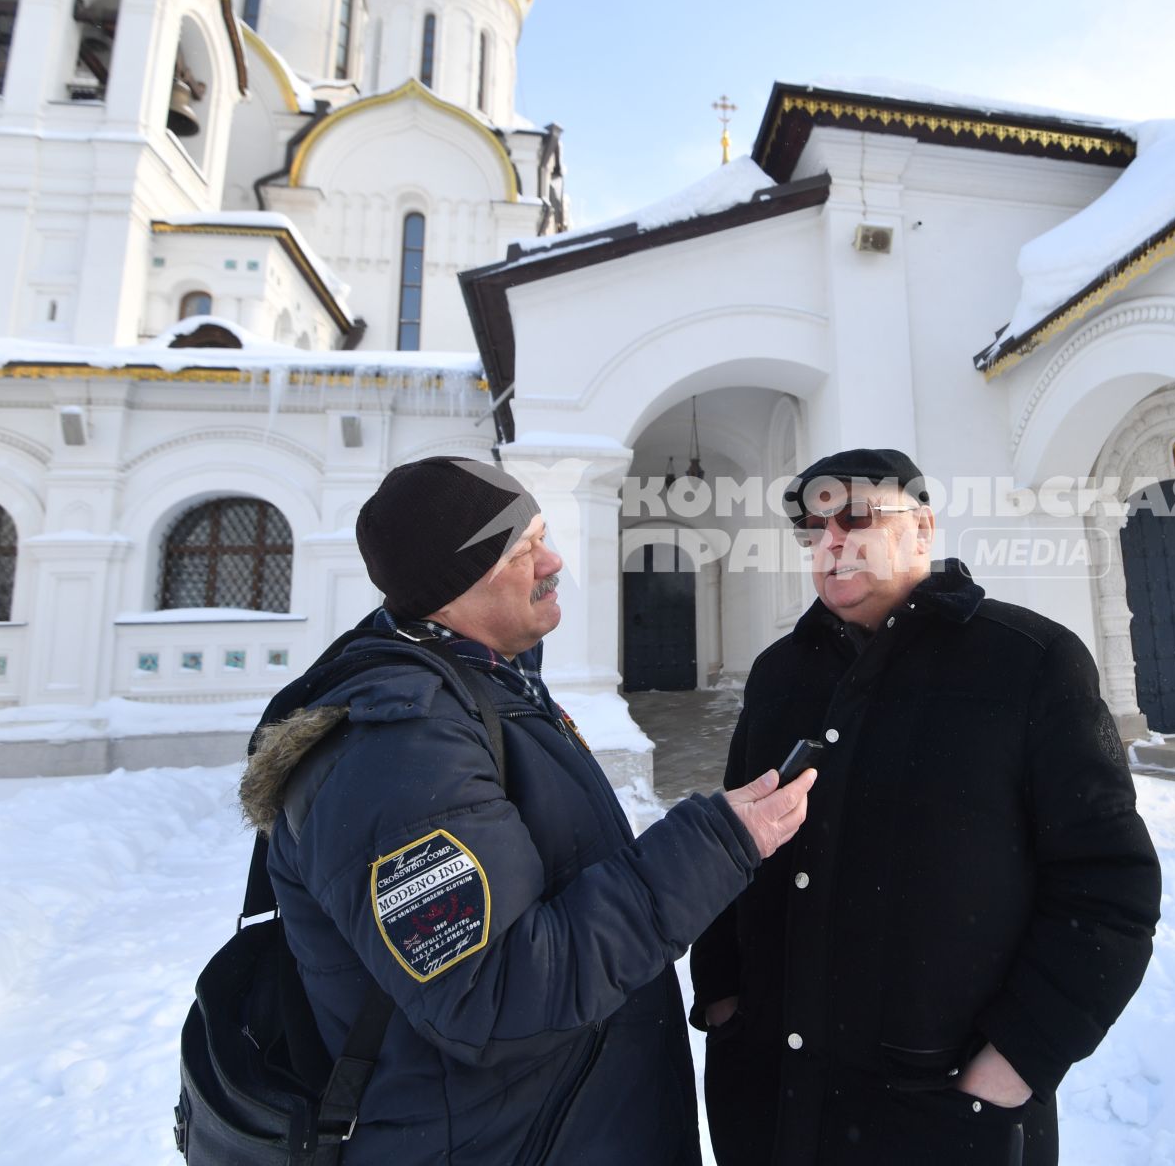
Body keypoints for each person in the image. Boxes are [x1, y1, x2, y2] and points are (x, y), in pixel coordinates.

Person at [239, 455, 816, 1163]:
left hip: (560, 1127)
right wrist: (714, 845)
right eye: (524, 548)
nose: (553, 560)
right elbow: (498, 996)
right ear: (455, 583)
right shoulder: (395, 750)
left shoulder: (485, 684)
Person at [691, 448, 1161, 1166]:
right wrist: (724, 1000)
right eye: (813, 529)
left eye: (857, 516)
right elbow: (738, 848)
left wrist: (1012, 1065)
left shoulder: (1029, 661)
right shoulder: (780, 674)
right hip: (777, 1104)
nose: (832, 542)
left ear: (922, 529)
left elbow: (1109, 887)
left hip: (943, 1118)